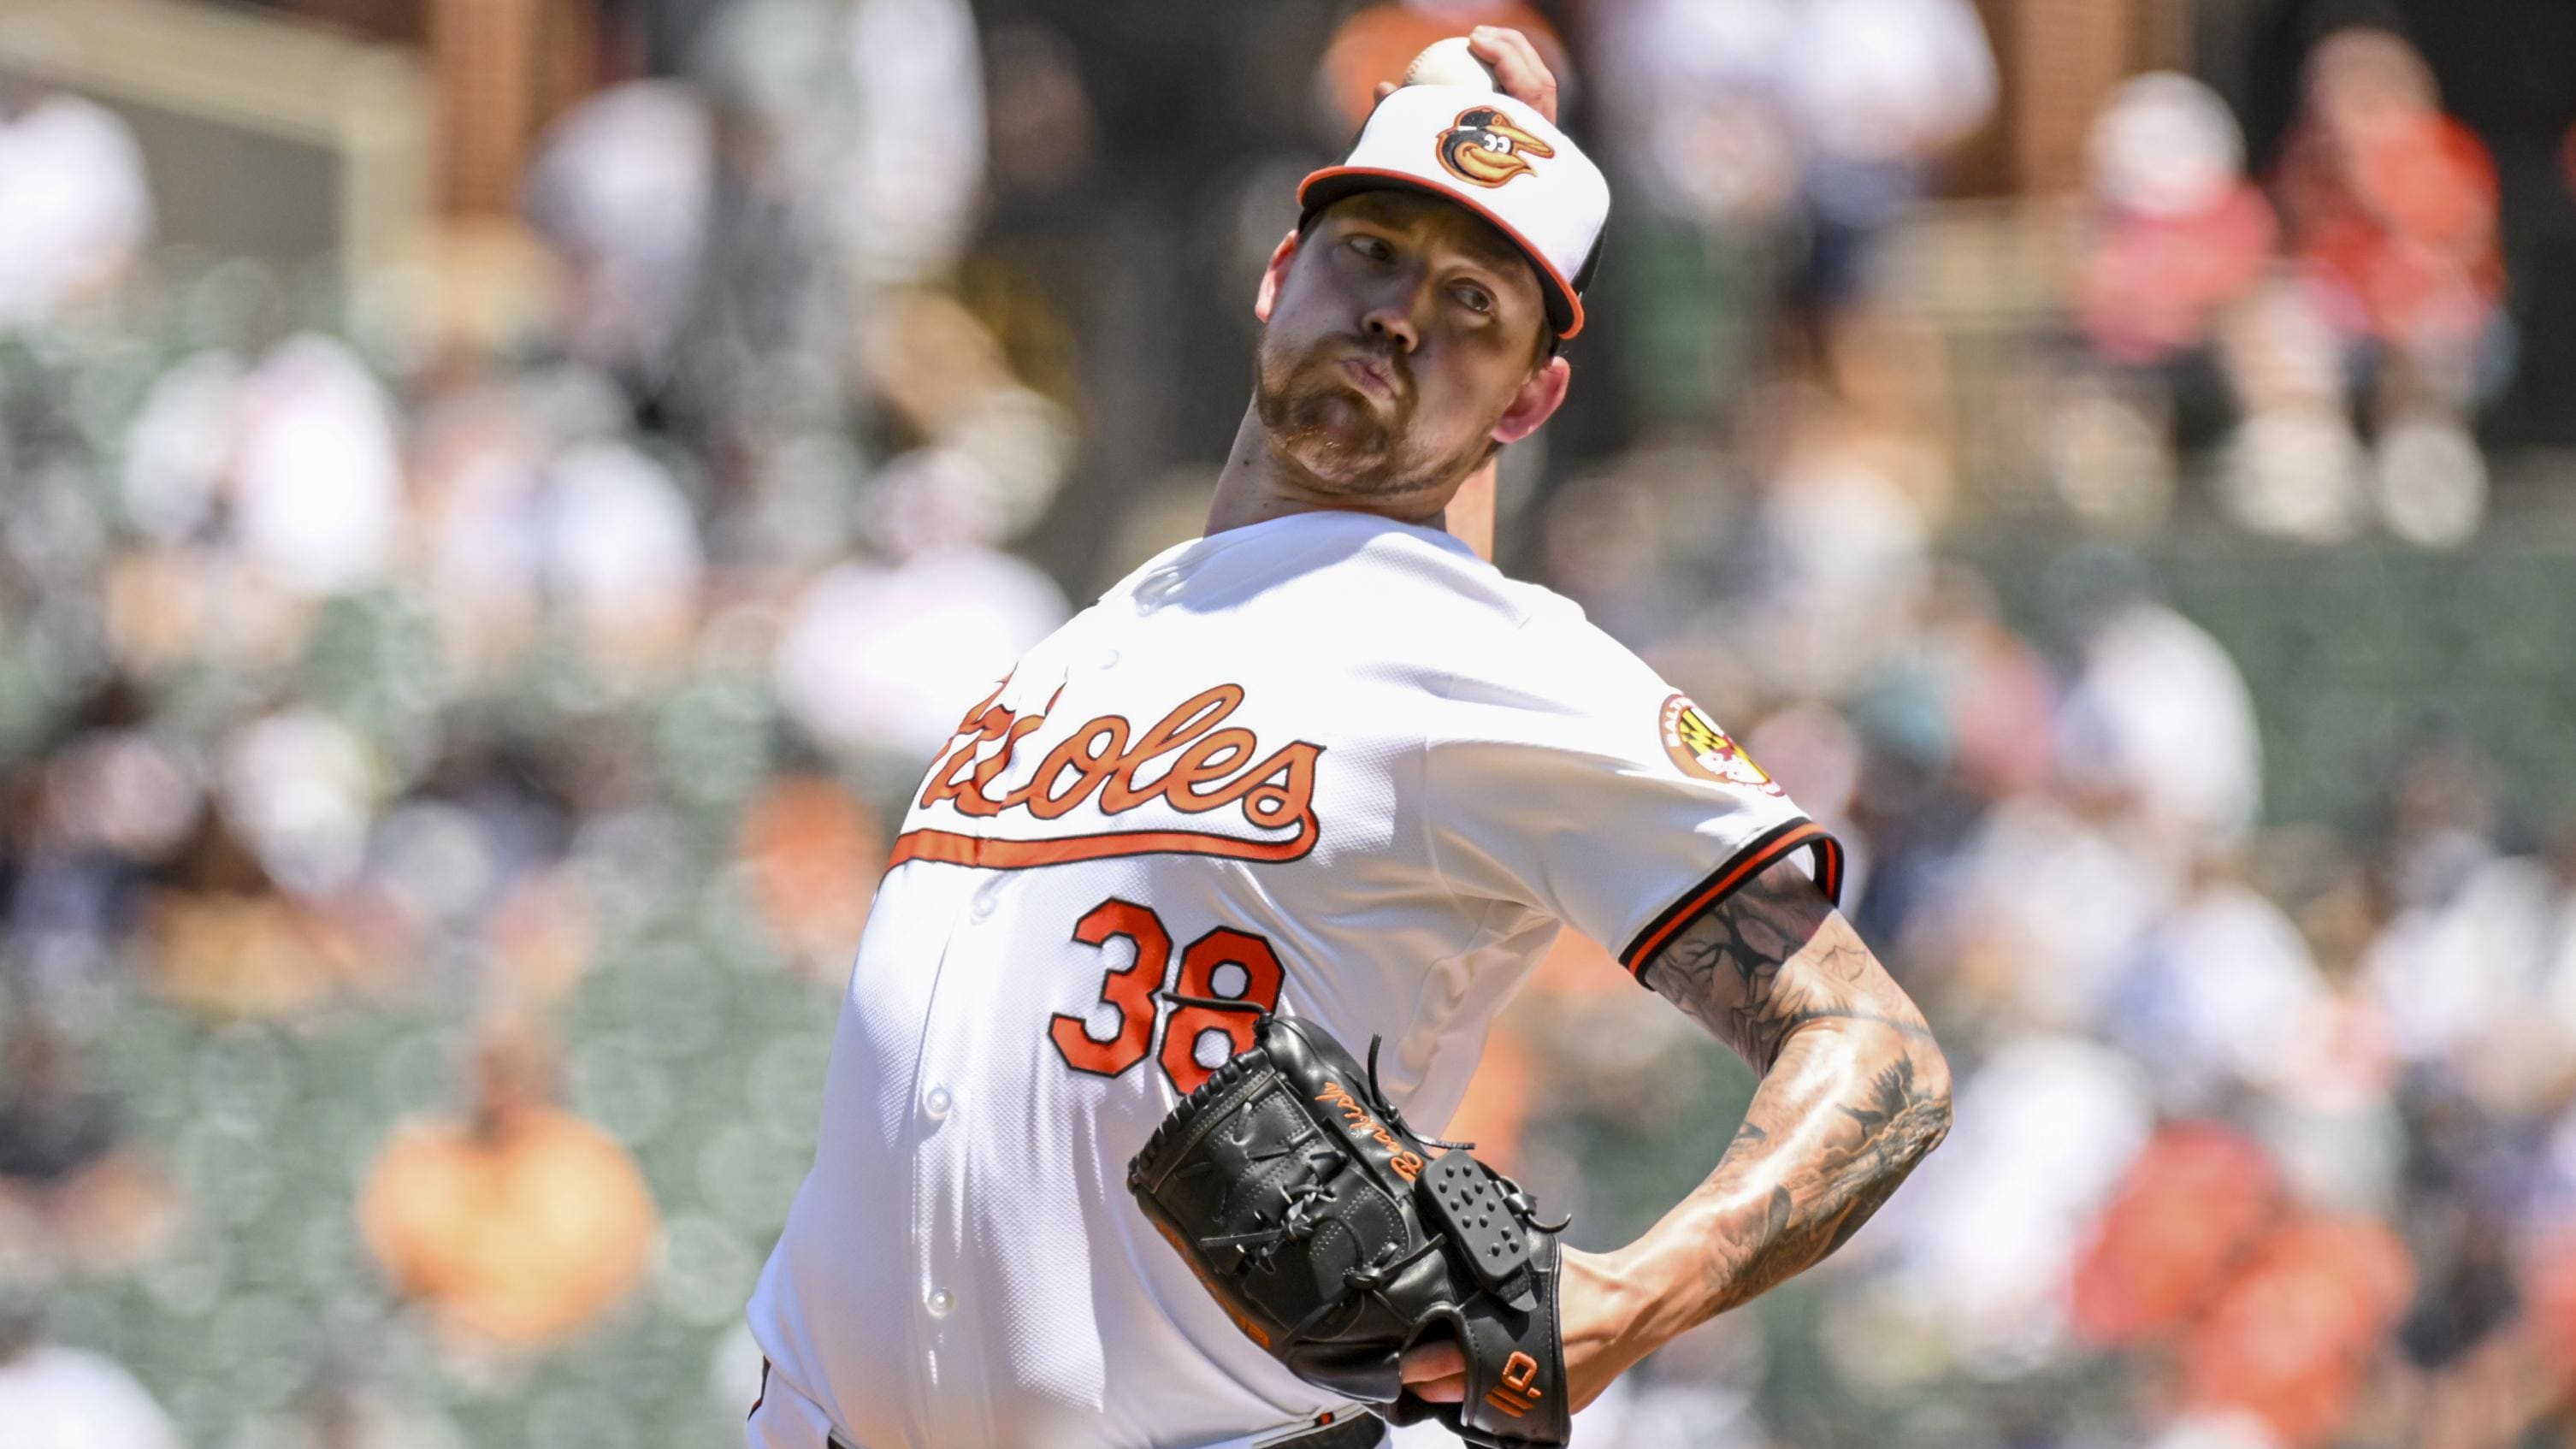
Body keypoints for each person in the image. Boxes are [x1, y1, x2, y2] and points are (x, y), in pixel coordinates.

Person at [744, 28, 1950, 1449]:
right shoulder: (1088, 640)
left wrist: (1631, 1294)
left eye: (1471, 306)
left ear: (1529, 399)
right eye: (1367, 252)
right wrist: (1460, 128)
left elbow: (1878, 1048)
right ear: (1277, 276)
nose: (1396, 317)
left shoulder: (1489, 664)